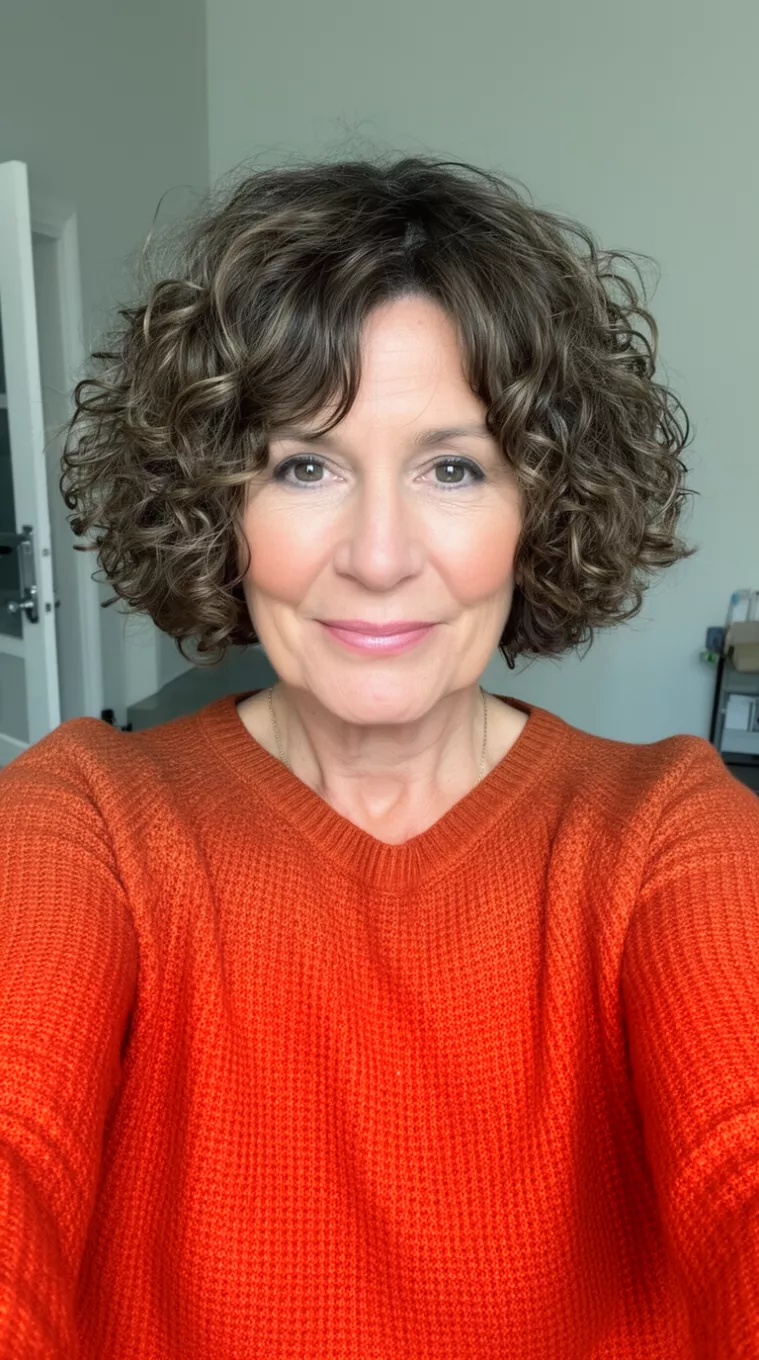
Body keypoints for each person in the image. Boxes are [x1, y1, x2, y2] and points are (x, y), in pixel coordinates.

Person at [1, 154, 757, 1359]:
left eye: (453, 468)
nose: (380, 553)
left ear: (541, 505)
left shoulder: (668, 830)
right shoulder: (83, 818)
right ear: (216, 503)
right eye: (306, 465)